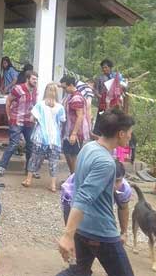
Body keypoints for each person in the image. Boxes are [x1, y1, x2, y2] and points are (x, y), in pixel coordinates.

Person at [57, 108, 135, 276]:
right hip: (101, 231)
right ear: (121, 133)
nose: (130, 136)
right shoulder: (106, 162)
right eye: (129, 132)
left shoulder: (89, 147)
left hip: (82, 227)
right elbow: (83, 197)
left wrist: (72, 231)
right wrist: (67, 235)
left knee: (79, 272)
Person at [61, 160, 131, 232]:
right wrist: (69, 234)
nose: (113, 185)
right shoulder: (82, 185)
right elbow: (71, 210)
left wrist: (124, 232)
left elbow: (123, 208)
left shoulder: (124, 188)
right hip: (76, 199)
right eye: (110, 180)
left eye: (117, 181)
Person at [22, 83, 66, 192]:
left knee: (34, 158)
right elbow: (62, 120)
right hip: (54, 138)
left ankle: (28, 180)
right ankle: (53, 185)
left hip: (40, 137)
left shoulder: (40, 105)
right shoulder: (60, 107)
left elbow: (32, 119)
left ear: (46, 91)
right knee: (53, 162)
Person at [0, 70, 38, 177]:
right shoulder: (18, 89)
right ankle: (2, 167)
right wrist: (8, 116)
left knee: (30, 145)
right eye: (33, 79)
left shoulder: (35, 90)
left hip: (29, 121)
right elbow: (8, 101)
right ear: (27, 79)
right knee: (14, 144)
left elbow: (35, 105)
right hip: (16, 120)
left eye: (36, 79)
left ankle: (29, 170)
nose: (35, 81)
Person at [61, 75, 90, 174]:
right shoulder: (70, 96)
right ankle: (72, 176)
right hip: (68, 130)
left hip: (75, 131)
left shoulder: (76, 98)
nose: (64, 90)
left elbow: (80, 116)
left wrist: (74, 133)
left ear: (71, 85)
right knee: (67, 153)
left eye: (65, 87)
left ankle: (75, 177)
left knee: (73, 155)